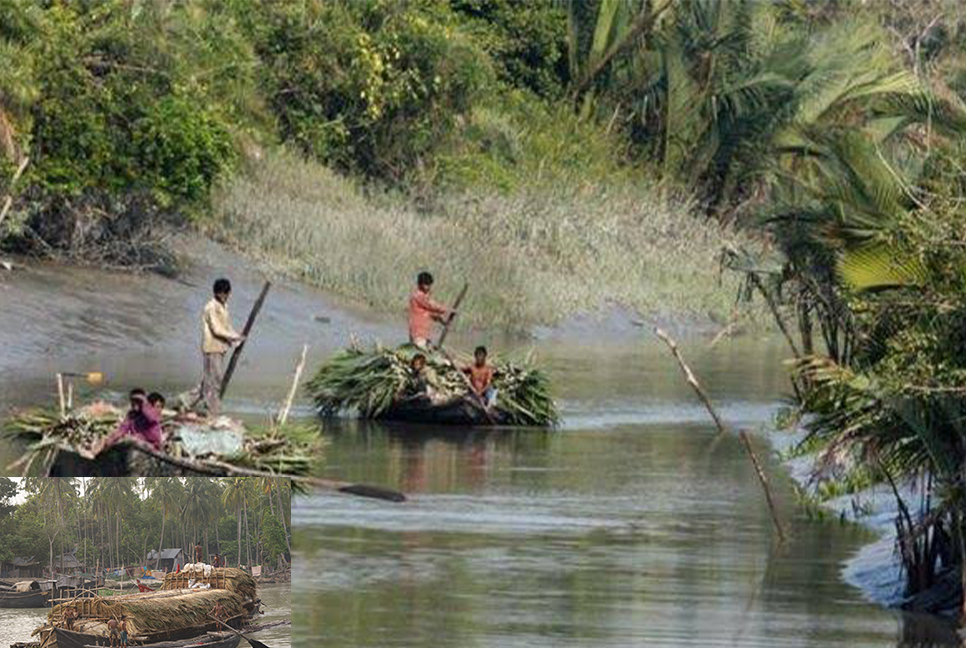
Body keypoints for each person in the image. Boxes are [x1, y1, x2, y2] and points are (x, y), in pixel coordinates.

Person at [187, 278, 244, 416]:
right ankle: (211, 409)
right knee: (214, 380)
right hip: (211, 348)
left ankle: (184, 401)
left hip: (220, 347)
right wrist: (234, 337)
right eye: (223, 294)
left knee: (209, 380)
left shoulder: (224, 307)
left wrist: (235, 338)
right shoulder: (210, 307)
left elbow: (227, 327)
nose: (225, 297)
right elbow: (217, 329)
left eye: (226, 294)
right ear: (218, 293)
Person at [97, 389, 163, 453]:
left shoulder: (149, 412)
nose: (134, 403)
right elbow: (122, 430)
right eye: (132, 401)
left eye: (137, 401)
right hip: (136, 445)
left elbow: (152, 418)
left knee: (132, 440)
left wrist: (144, 403)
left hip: (152, 445)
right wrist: (110, 440)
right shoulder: (131, 415)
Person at [408, 272, 454, 349]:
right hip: (418, 334)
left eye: (429, 285)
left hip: (424, 334)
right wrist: (448, 310)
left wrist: (442, 321)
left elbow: (430, 314)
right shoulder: (417, 296)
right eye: (426, 285)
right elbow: (432, 306)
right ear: (420, 284)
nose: (428, 287)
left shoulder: (424, 297)